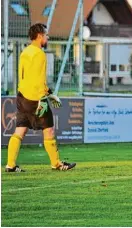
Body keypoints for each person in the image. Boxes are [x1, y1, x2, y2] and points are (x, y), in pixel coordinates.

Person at [5, 23, 76, 173]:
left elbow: (24, 77)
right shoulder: (39, 54)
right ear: (39, 36)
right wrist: (45, 98)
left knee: (20, 130)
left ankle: (10, 165)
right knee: (49, 130)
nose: (48, 37)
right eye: (46, 35)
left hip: (22, 97)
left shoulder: (25, 52)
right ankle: (56, 164)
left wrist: (49, 94)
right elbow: (39, 80)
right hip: (36, 99)